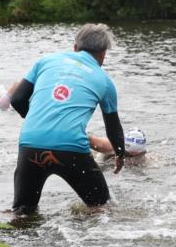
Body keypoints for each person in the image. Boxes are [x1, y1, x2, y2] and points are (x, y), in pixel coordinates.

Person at [8, 23, 125, 215]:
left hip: (31, 144)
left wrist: (36, 123)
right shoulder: (105, 81)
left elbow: (17, 99)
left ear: (75, 47)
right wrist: (119, 154)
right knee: (102, 209)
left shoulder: (46, 61)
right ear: (103, 54)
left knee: (22, 212)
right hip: (71, 151)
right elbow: (113, 126)